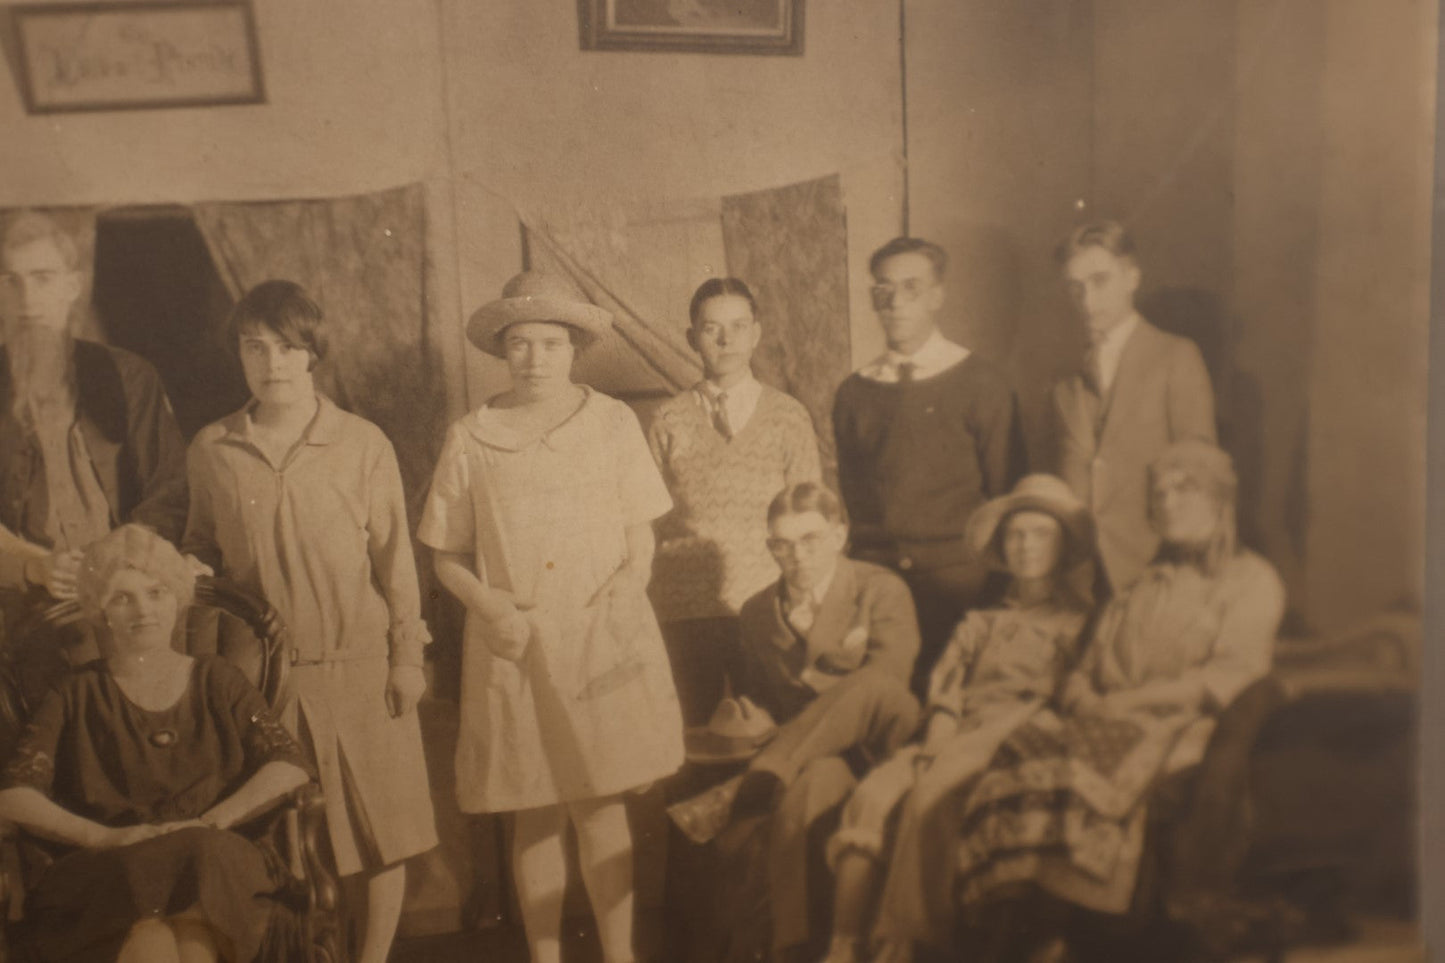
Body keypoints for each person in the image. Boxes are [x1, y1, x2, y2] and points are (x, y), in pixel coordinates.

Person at [419, 271, 684, 963]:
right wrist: (490, 606)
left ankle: (620, 955)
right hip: (515, 639)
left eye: (550, 342)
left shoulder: (611, 422)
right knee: (532, 809)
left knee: (600, 805)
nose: (534, 357)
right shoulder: (472, 435)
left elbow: (640, 535)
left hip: (599, 634)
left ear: (574, 349)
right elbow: (445, 556)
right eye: (519, 343)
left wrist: (629, 588)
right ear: (502, 352)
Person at [950, 441, 1285, 962]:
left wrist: (1129, 705)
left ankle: (1066, 929)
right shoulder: (1139, 587)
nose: (1168, 502)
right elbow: (1088, 665)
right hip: (1101, 719)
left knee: (1075, 774)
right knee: (1016, 755)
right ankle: (1016, 931)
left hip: (1184, 729)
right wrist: (1083, 692)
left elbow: (1230, 677)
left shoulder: (1251, 581)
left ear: (1220, 500)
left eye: (1184, 489)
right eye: (1160, 492)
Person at [183, 281, 437, 963]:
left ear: (313, 353)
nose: (273, 363)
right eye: (255, 347)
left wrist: (406, 654)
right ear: (238, 354)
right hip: (262, 680)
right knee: (279, 840)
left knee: (381, 832)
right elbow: (202, 551)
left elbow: (396, 561)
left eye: (290, 348)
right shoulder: (213, 447)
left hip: (359, 666)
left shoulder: (361, 442)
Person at [0, 524, 311, 963]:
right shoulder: (76, 691)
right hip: (115, 864)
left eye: (156, 592)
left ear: (177, 599)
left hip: (216, 856)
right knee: (152, 937)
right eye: (122, 598)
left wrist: (210, 822)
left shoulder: (217, 678)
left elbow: (288, 763)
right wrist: (107, 838)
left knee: (200, 876)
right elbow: (14, 796)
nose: (142, 610)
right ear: (100, 611)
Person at [818, 474, 1094, 963]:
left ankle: (905, 941)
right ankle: (844, 944)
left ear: (1064, 545)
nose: (1027, 546)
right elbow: (948, 684)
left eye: (1041, 534)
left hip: (1018, 735)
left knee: (930, 798)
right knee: (874, 795)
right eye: (1016, 535)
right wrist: (943, 718)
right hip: (959, 729)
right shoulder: (981, 622)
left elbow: (1071, 697)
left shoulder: (1078, 624)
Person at [674, 481, 919, 963]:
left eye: (810, 539)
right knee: (800, 803)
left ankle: (752, 782)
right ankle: (793, 949)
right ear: (769, 547)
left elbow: (890, 681)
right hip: (813, 760)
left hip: (885, 742)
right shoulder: (757, 612)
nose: (797, 556)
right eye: (782, 544)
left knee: (870, 683)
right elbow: (764, 702)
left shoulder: (879, 589)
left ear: (839, 535)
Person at [0, 211, 187, 689]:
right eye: (10, 280)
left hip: (125, 601)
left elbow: (169, 490)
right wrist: (32, 565)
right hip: (19, 614)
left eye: (42, 279)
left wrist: (114, 565)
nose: (27, 301)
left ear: (71, 286)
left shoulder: (128, 377)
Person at [833, 236, 1026, 696]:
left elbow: (1009, 499)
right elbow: (856, 501)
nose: (896, 302)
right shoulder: (854, 393)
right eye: (884, 289)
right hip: (880, 589)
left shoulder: (983, 383)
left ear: (937, 296)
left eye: (912, 288)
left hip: (964, 587)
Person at [648, 277, 822, 725]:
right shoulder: (667, 419)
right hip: (682, 607)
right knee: (694, 737)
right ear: (692, 338)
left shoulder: (787, 416)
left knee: (768, 730)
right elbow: (644, 519)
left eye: (739, 326)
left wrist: (803, 601)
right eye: (711, 329)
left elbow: (808, 520)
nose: (726, 340)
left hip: (764, 605)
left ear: (756, 334)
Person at [1051, 221, 1217, 595]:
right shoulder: (1065, 379)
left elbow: (1199, 476)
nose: (1087, 301)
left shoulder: (1176, 357)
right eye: (1075, 288)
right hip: (1079, 575)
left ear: (1132, 277)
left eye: (1100, 281)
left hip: (1154, 566)